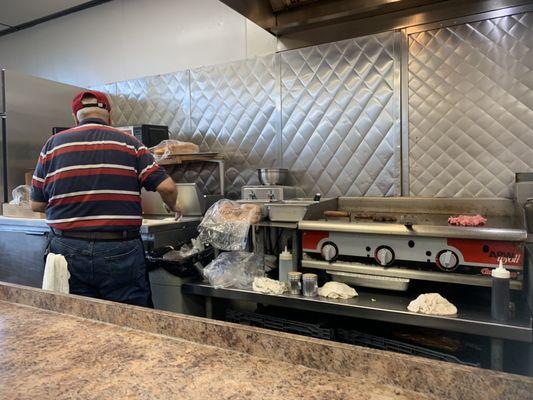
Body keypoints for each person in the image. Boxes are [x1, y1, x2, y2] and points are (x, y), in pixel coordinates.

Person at [30, 90, 181, 307]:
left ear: (74, 117)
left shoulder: (53, 145)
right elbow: (166, 186)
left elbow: (36, 204)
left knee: (77, 322)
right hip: (120, 249)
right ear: (110, 116)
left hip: (67, 248)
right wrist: (173, 204)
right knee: (131, 321)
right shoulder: (130, 144)